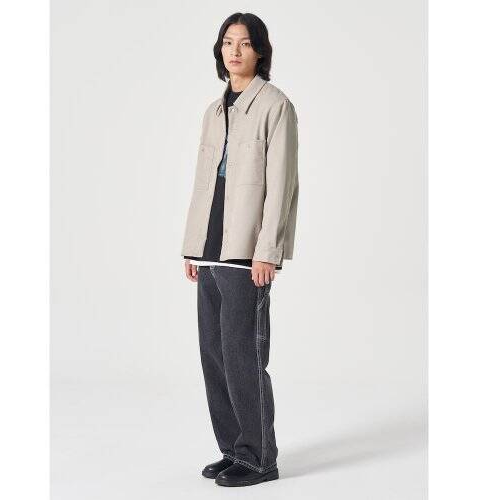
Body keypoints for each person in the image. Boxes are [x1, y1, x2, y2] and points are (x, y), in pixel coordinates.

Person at [180, 12, 299, 487]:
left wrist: (267, 250)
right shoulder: (214, 111)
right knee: (213, 353)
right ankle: (233, 449)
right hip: (210, 248)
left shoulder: (275, 105)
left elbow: (281, 184)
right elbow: (203, 182)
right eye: (227, 42)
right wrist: (193, 248)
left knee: (243, 354)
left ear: (260, 51)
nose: (234, 51)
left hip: (247, 250)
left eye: (244, 43)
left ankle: (260, 458)